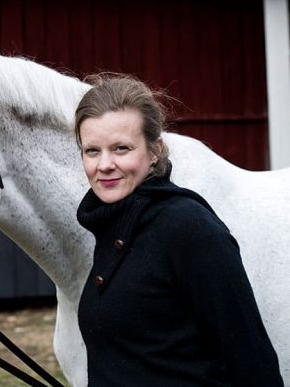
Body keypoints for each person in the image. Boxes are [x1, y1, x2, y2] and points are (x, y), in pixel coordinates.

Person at [73, 74, 283, 386]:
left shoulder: (188, 229)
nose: (104, 164)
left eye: (121, 148)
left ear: (154, 151)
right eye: (92, 150)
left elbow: (253, 363)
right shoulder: (112, 223)